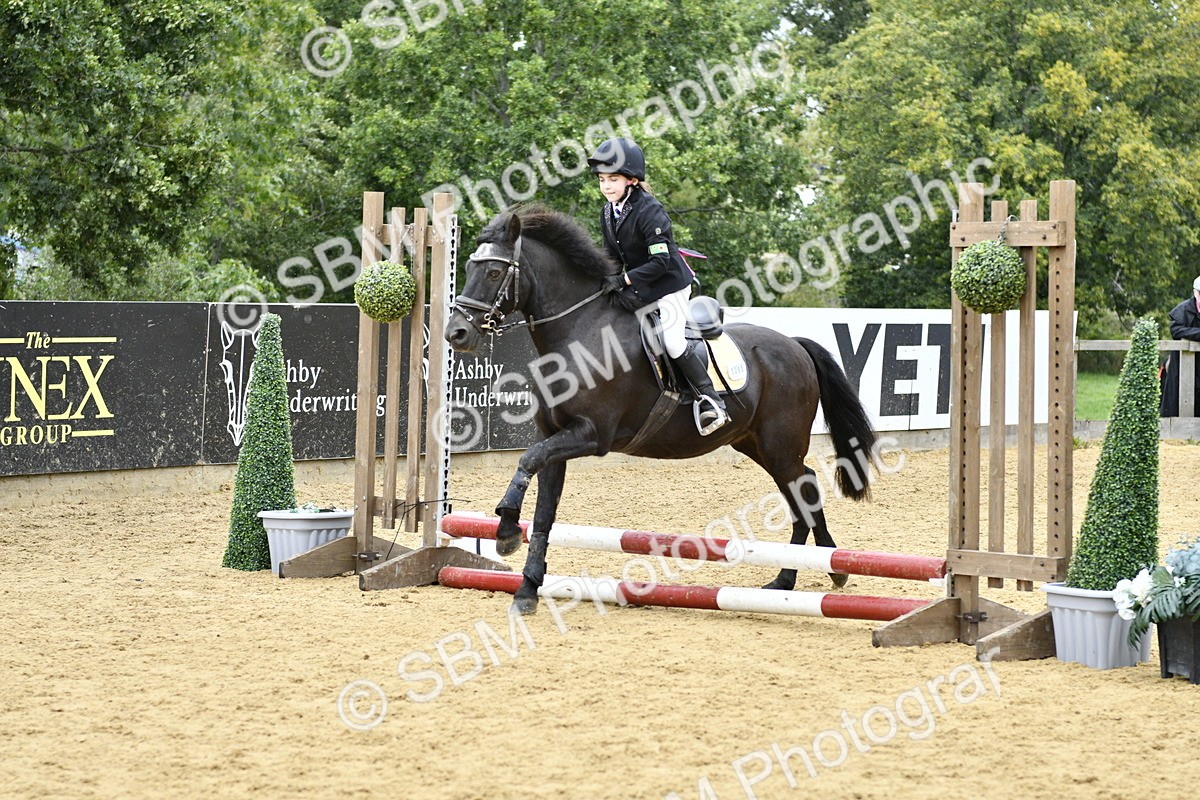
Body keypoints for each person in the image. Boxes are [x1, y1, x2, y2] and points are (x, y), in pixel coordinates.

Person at [586, 137, 729, 434]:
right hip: (640, 284)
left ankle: (710, 400)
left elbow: (661, 263)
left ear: (632, 180)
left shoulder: (649, 209)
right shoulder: (608, 211)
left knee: (673, 341)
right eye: (602, 180)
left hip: (669, 285)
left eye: (613, 179)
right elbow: (612, 256)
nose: (606, 186)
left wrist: (623, 279)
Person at [1161, 276, 1200, 417]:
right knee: (1178, 393)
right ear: (1195, 293)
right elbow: (1176, 330)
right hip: (1183, 362)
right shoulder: (1183, 309)